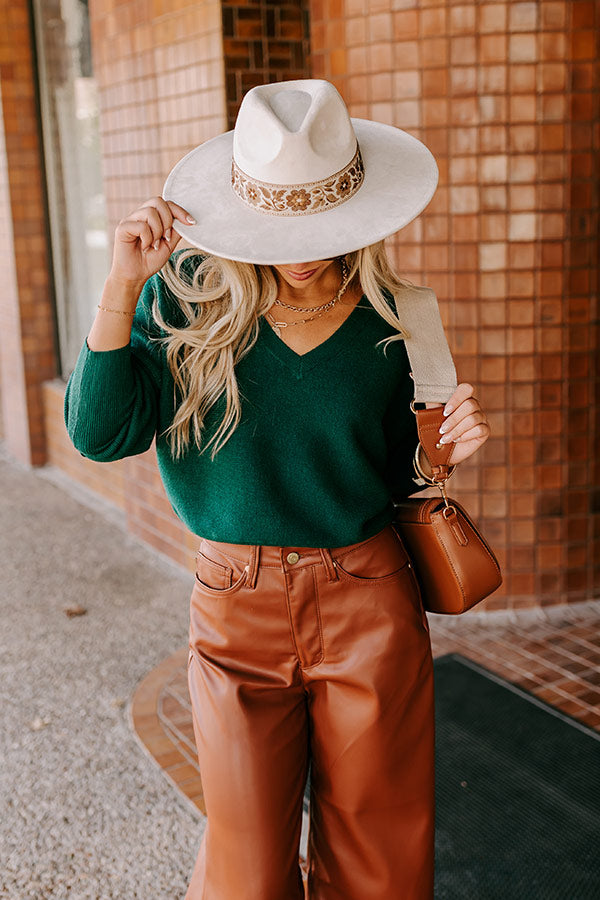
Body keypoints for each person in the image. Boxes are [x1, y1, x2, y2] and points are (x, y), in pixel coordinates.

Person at [64, 79, 490, 900]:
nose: (300, 245)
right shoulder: (183, 297)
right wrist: (122, 284)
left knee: (380, 859)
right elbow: (98, 432)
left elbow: (413, 472)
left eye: (321, 221)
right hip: (235, 610)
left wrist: (453, 447)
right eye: (278, 220)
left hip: (370, 598)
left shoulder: (402, 315)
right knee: (246, 867)